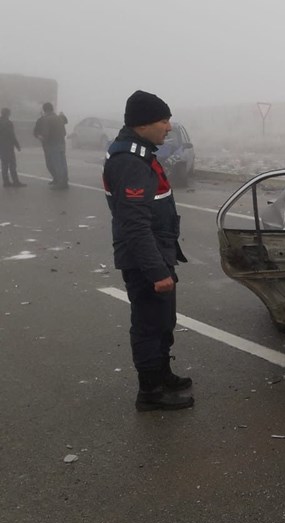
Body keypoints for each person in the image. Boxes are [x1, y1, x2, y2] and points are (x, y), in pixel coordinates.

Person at [104, 90, 193, 411]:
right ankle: (151, 391)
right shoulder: (130, 161)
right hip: (146, 257)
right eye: (163, 120)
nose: (168, 127)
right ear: (143, 124)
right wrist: (156, 271)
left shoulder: (140, 152)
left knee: (162, 320)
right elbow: (134, 224)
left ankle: (162, 373)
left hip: (157, 251)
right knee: (148, 323)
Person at [34, 102, 69, 187]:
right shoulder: (59, 118)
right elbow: (64, 132)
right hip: (61, 143)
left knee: (54, 164)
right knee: (62, 163)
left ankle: (60, 182)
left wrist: (41, 138)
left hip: (51, 144)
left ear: (44, 110)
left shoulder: (46, 119)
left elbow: (46, 133)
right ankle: (64, 180)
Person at [0, 108, 25, 187]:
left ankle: (6, 181)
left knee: (4, 164)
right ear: (8, 114)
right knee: (12, 164)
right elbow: (11, 135)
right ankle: (15, 181)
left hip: (1, 146)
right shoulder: (8, 123)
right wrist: (17, 145)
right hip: (8, 146)